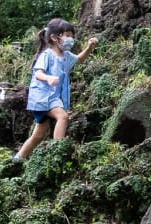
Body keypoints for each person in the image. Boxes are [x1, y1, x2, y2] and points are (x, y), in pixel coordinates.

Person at [15, 18, 99, 160]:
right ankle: (58, 151)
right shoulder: (47, 55)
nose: (71, 39)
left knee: (39, 134)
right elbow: (38, 73)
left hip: (54, 98)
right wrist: (48, 78)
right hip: (44, 97)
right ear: (54, 37)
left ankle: (18, 158)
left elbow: (79, 59)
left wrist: (89, 48)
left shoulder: (66, 56)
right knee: (63, 117)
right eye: (67, 35)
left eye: (72, 36)